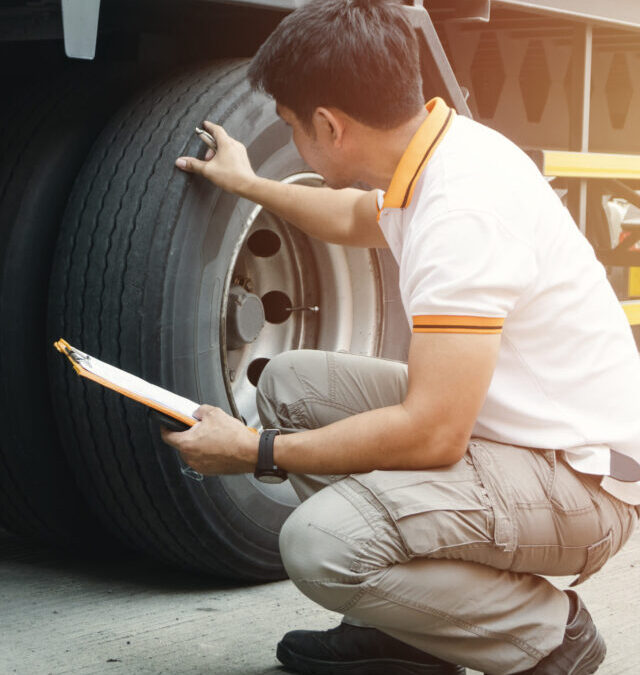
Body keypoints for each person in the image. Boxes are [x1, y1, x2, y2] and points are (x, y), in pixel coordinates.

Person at [163, 1, 640, 673]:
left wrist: (255, 450)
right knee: (291, 386)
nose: (295, 139)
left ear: (331, 125)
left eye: (294, 127)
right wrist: (250, 183)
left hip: (581, 485)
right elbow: (359, 215)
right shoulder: (437, 150)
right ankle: (412, 632)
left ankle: (546, 636)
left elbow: (433, 432)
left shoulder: (461, 212)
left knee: (320, 546)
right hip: (516, 433)